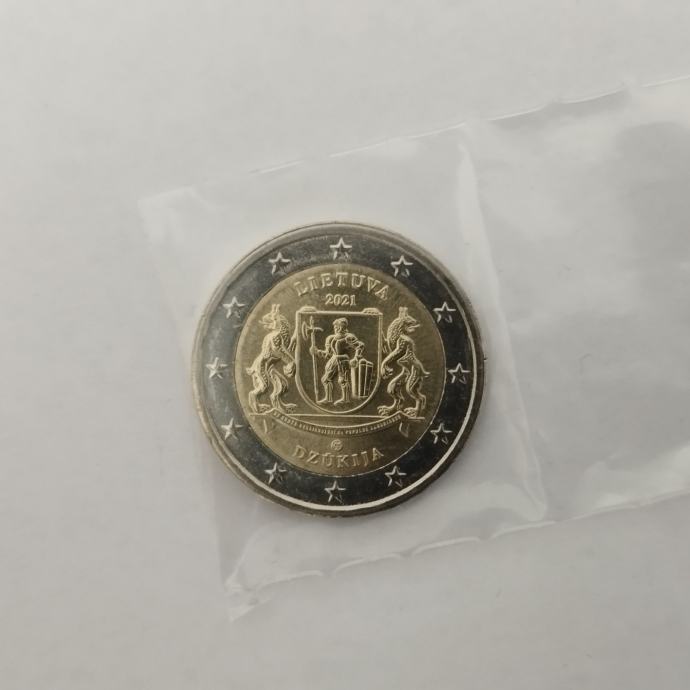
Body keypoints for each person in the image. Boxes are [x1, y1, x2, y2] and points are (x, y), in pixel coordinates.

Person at [311, 317, 363, 404]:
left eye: (337, 327)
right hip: (334, 359)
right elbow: (328, 354)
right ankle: (328, 399)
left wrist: (356, 358)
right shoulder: (331, 338)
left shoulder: (349, 337)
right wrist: (317, 352)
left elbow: (360, 346)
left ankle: (345, 399)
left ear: (342, 327)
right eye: (335, 327)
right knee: (325, 379)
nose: (336, 329)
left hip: (343, 359)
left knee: (342, 380)